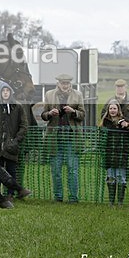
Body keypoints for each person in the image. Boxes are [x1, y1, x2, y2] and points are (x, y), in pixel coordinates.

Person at [42, 73, 85, 203]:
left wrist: (73, 111)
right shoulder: (49, 95)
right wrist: (50, 113)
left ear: (70, 84)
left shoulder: (78, 95)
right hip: (55, 138)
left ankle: (73, 198)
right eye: (62, 83)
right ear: (58, 83)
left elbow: (83, 115)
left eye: (67, 83)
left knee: (73, 169)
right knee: (56, 170)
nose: (65, 85)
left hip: (72, 138)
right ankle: (58, 197)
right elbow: (44, 115)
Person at [0, 82, 29, 200]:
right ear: (0, 92)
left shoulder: (18, 107)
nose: (5, 93)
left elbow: (24, 125)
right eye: (3, 91)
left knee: (11, 171)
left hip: (11, 147)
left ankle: (10, 194)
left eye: (8, 91)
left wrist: (15, 140)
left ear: (11, 92)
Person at [100, 99, 129, 205]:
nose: (112, 110)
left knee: (121, 177)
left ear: (118, 109)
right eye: (110, 108)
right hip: (109, 154)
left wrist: (128, 126)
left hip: (122, 153)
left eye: (114, 108)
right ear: (108, 110)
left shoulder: (124, 120)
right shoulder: (104, 122)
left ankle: (120, 201)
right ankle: (111, 201)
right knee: (111, 177)